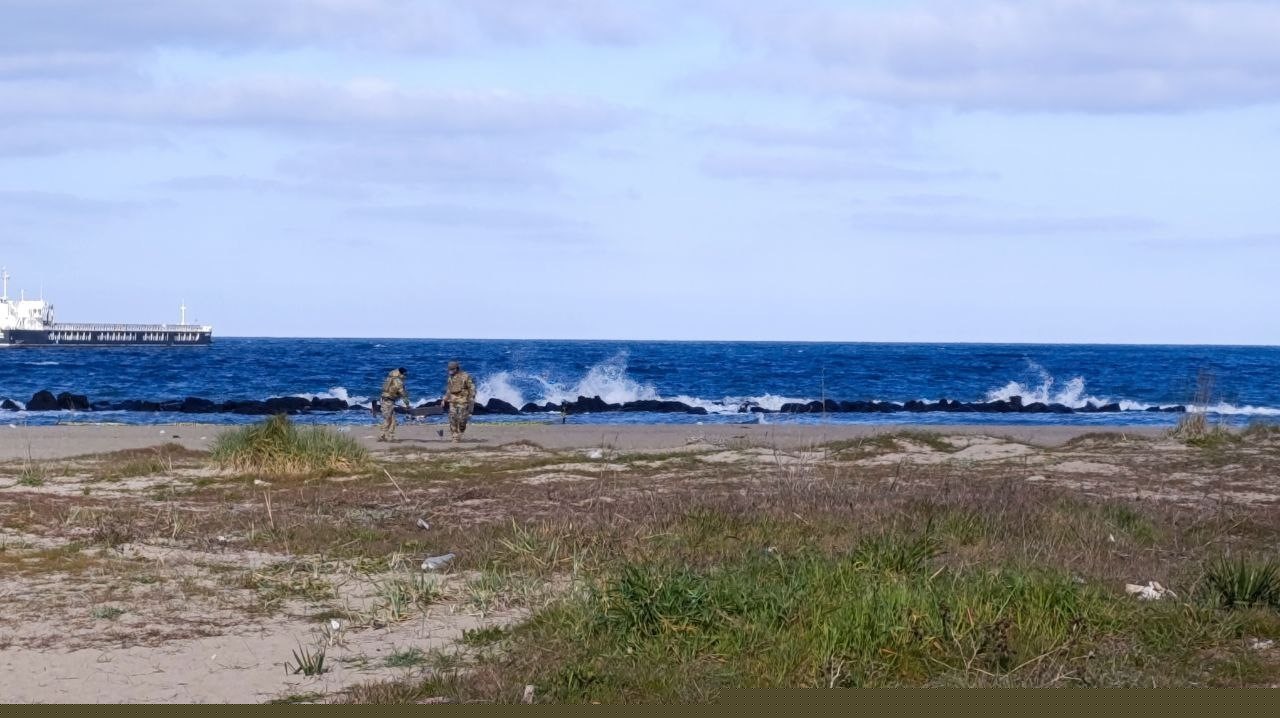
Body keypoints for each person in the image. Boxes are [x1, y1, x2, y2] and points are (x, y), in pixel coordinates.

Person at [442, 360, 476, 443]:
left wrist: (471, 398)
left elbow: (472, 388)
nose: (450, 371)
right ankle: (455, 437)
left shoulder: (465, 376)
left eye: (452, 369)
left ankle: (461, 430)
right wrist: (444, 399)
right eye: (449, 369)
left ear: (456, 368)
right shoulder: (450, 378)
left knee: (462, 419)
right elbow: (449, 390)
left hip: (463, 401)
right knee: (452, 418)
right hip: (452, 401)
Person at [378, 367, 411, 442]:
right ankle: (386, 436)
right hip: (388, 402)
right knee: (389, 420)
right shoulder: (398, 382)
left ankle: (385, 436)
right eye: (405, 374)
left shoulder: (390, 378)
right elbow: (403, 394)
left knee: (390, 419)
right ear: (400, 374)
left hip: (385, 400)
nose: (405, 376)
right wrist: (407, 404)